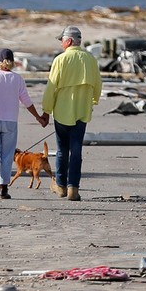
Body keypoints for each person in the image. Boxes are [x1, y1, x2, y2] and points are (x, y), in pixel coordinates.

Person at [40, 26, 102, 202]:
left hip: (62, 111)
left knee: (62, 150)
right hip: (82, 111)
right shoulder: (90, 60)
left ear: (68, 41)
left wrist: (46, 110)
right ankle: (73, 188)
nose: (61, 43)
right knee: (76, 150)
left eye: (62, 40)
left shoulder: (61, 59)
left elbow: (51, 87)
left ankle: (60, 185)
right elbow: (98, 84)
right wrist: (93, 101)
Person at [0, 48, 47, 199]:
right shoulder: (18, 79)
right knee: (8, 155)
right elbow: (26, 101)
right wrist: (38, 117)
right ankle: (3, 189)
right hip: (10, 122)